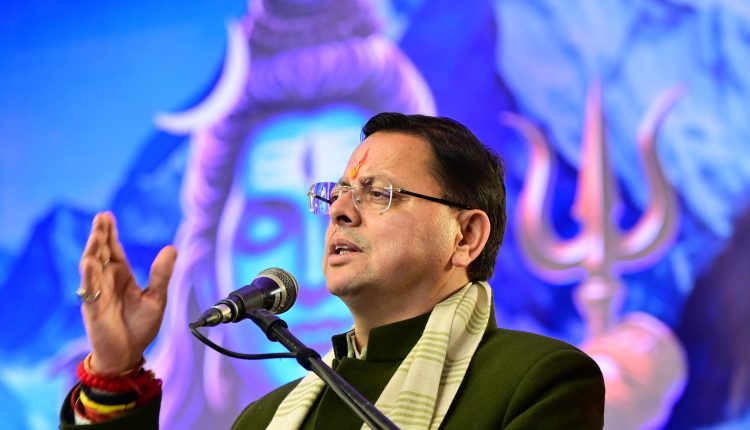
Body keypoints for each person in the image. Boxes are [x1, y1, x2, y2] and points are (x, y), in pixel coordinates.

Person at [60, 112, 605, 429]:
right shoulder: (267, 419)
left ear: (465, 237)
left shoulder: (537, 381)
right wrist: (116, 370)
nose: (341, 210)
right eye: (337, 193)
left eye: (378, 192)